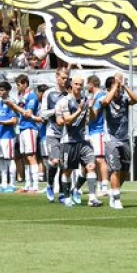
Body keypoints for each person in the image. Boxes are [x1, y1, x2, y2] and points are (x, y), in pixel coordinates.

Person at [56, 75, 100, 207]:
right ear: (71, 85)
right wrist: (80, 110)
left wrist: (90, 107)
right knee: (67, 171)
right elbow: (68, 120)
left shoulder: (85, 100)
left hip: (83, 140)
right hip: (68, 141)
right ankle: (67, 197)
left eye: (81, 84)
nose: (79, 87)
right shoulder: (64, 102)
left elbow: (91, 119)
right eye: (76, 84)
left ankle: (92, 198)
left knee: (91, 166)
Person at [101, 73, 137, 209]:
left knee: (125, 171)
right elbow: (105, 102)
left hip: (125, 139)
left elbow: (136, 99)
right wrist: (115, 85)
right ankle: (116, 199)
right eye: (115, 88)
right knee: (115, 170)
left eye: (119, 89)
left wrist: (124, 86)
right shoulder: (105, 98)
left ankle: (113, 191)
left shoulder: (124, 99)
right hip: (111, 139)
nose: (118, 91)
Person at [6, 74, 41, 193]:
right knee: (25, 157)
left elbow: (28, 113)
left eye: (19, 85)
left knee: (31, 156)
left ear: (25, 83)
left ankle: (35, 185)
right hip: (21, 128)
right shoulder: (21, 96)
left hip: (30, 127)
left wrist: (14, 106)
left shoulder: (32, 96)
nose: (18, 87)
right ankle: (28, 184)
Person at [39, 68, 69, 202]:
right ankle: (50, 185)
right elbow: (43, 114)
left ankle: (63, 192)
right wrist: (56, 110)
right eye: (63, 77)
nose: (65, 80)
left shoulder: (69, 93)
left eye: (67, 78)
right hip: (52, 132)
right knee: (55, 161)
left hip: (66, 133)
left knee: (64, 164)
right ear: (56, 77)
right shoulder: (49, 93)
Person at [0, 81, 19, 193]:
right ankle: (3, 183)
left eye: (2, 90)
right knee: (2, 160)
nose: (0, 92)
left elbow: (14, 120)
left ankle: (12, 183)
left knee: (9, 159)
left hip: (8, 135)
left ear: (8, 91)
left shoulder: (11, 102)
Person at [86, 75, 110, 197]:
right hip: (92, 131)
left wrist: (89, 108)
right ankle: (100, 185)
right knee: (96, 159)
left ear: (91, 84)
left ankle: (105, 186)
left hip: (99, 131)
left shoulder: (100, 96)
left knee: (100, 159)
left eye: (87, 84)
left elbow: (94, 115)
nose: (86, 86)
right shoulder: (94, 96)